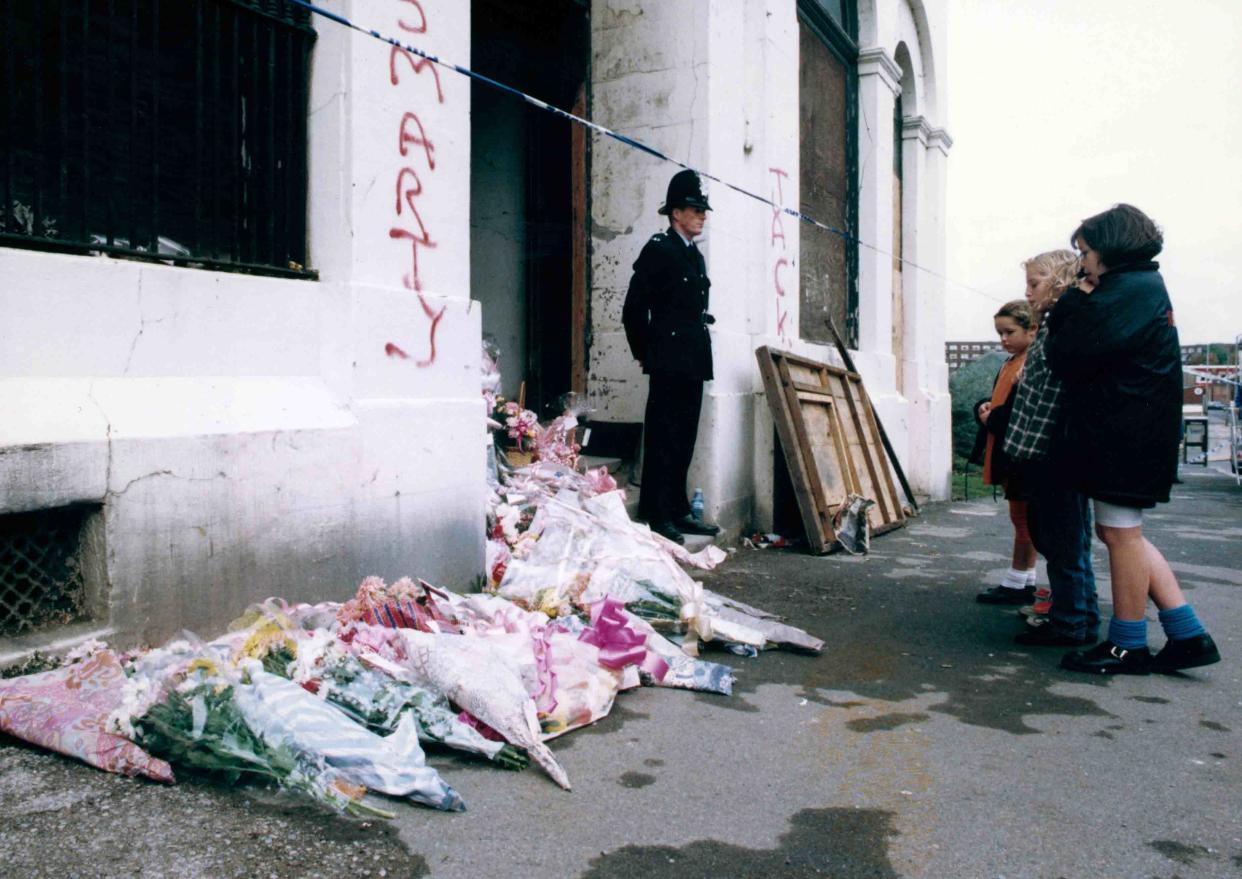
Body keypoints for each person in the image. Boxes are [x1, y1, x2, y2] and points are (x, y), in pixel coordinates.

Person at [1045, 204, 1220, 674]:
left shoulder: (1125, 291)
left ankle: (1128, 645)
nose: (1081, 263)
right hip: (1133, 431)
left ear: (1109, 249)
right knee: (1120, 532)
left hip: (1123, 435)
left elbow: (1066, 353)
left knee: (1121, 536)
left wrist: (1074, 300)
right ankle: (1187, 633)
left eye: (1084, 252)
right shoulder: (1141, 286)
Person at [1002, 250, 1100, 647]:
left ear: (1060, 282)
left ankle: (1071, 623)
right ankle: (1078, 618)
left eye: (1034, 283)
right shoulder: (1051, 327)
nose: (1027, 292)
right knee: (1063, 541)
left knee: (1063, 542)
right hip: (1049, 453)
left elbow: (1052, 397)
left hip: (1053, 455)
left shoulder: (1064, 327)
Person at [622, 169, 720, 545]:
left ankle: (678, 509)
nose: (701, 215)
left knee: (684, 438)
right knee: (663, 437)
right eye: (694, 208)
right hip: (667, 361)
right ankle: (657, 512)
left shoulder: (695, 257)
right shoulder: (659, 249)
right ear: (675, 213)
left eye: (702, 209)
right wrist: (647, 353)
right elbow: (634, 308)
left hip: (692, 360)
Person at [973, 300, 1039, 605]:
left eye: (1009, 332)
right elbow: (1001, 400)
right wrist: (985, 406)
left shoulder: (1029, 364)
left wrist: (992, 418)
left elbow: (1018, 411)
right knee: (1022, 518)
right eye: (1000, 333)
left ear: (1032, 330)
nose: (1003, 339)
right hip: (1007, 449)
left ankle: (1016, 581)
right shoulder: (1009, 362)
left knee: (1022, 518)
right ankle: (1026, 578)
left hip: (1018, 453)